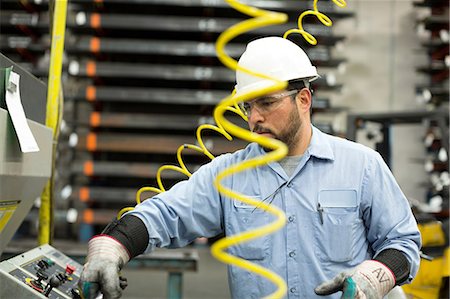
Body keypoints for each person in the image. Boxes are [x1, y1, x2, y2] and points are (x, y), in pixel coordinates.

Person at [79, 36, 421, 299]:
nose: (254, 117)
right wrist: (113, 245)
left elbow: (402, 243)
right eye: (247, 106)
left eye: (267, 103)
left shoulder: (361, 166)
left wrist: (374, 277)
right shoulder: (228, 176)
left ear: (304, 99)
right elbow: (166, 214)